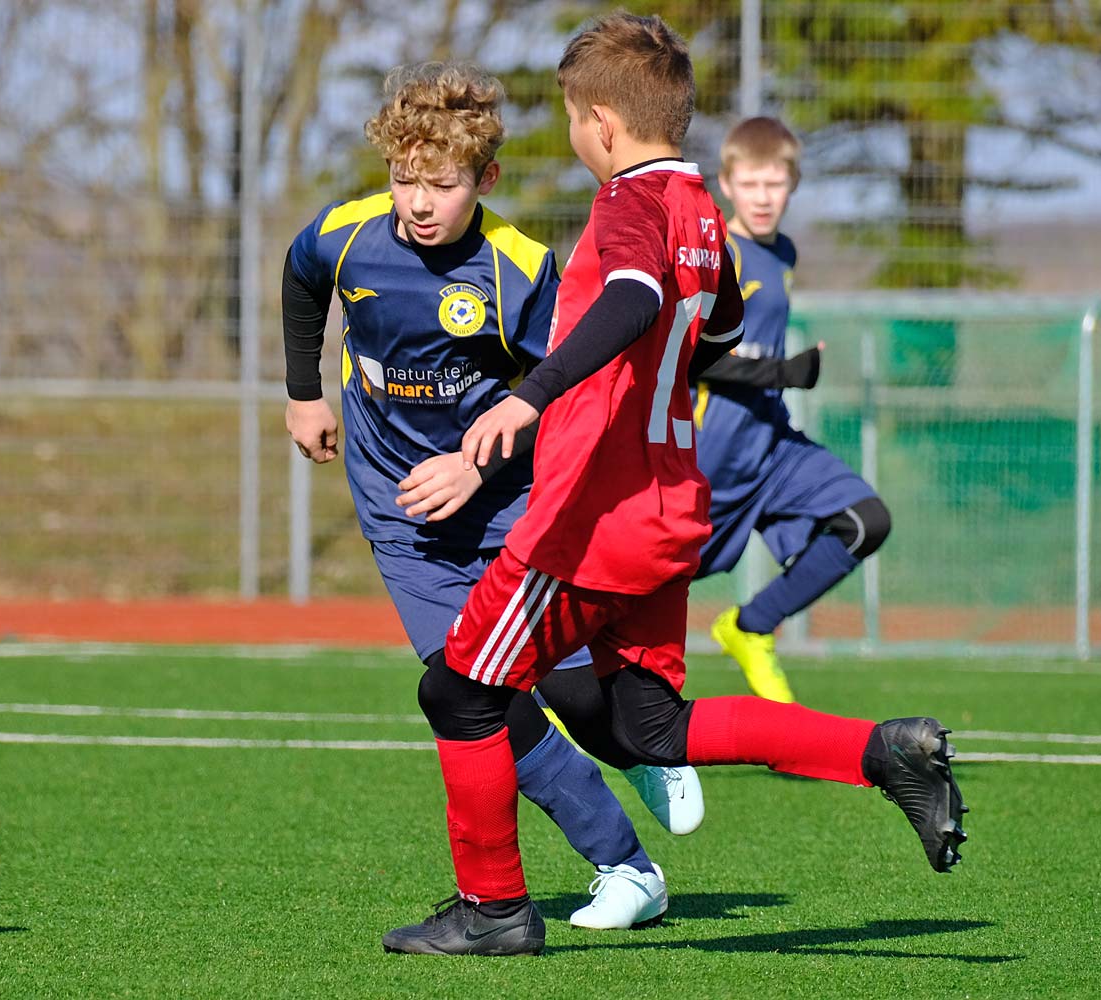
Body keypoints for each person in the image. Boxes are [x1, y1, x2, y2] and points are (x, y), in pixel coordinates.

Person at [382, 12, 967, 958]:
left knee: (458, 693)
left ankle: (493, 911)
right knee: (649, 728)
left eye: (571, 117)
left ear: (602, 123)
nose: (572, 135)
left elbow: (634, 298)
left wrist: (531, 396)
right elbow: (718, 333)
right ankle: (882, 752)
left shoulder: (628, 205)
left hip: (591, 519)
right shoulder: (701, 212)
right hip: (668, 511)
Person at [282, 61, 704, 932]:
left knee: (581, 701)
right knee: (475, 695)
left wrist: (475, 468)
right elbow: (301, 276)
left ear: (487, 180)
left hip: (510, 502)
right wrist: (303, 393)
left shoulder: (520, 271)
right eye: (404, 180)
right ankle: (626, 868)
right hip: (402, 514)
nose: (417, 203)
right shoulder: (346, 234)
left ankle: (643, 745)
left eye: (441, 185)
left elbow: (568, 397)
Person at [694, 116, 892, 703]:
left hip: (772, 448)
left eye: (774, 184)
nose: (762, 197)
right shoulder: (716, 251)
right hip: (707, 463)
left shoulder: (783, 252)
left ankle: (751, 627)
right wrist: (783, 372)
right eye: (750, 184)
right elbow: (689, 356)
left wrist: (784, 376)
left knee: (866, 522)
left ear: (793, 184)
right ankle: (550, 698)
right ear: (727, 184)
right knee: (627, 597)